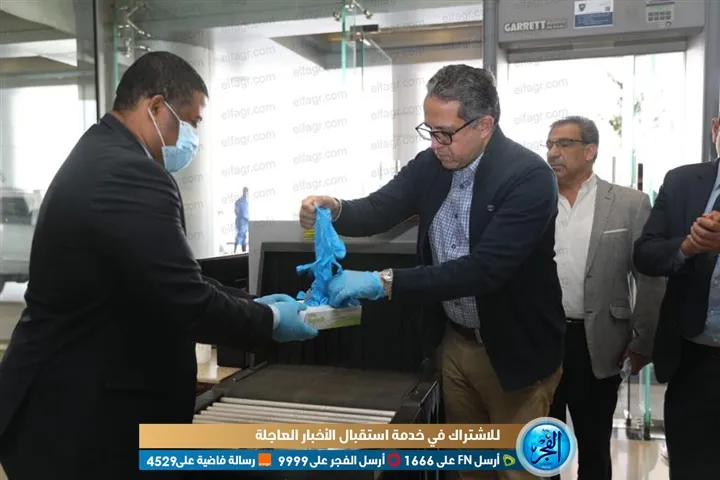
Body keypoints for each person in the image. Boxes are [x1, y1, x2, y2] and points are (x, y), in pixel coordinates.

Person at [0, 52, 317, 480]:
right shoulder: (130, 172)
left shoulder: (102, 152)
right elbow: (184, 301)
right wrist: (271, 320)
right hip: (77, 423)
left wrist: (253, 302)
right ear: (155, 106)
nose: (192, 137)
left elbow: (160, 280)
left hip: (67, 410)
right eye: (191, 122)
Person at [299, 64, 565, 480]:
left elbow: (484, 270)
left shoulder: (528, 177)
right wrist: (334, 208)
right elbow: (379, 209)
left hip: (515, 351)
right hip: (456, 345)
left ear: (484, 125)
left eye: (445, 133)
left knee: (520, 471)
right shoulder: (431, 166)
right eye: (429, 131)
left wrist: (382, 281)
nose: (436, 144)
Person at [544, 116, 665, 480]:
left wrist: (643, 342)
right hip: (542, 339)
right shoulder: (534, 200)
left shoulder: (630, 203)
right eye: (550, 144)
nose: (553, 152)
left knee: (594, 444)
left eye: (564, 144)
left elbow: (650, 278)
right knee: (542, 444)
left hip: (598, 342)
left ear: (590, 151)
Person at [633, 111, 720, 478]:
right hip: (692, 361)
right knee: (690, 469)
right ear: (716, 129)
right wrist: (688, 246)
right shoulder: (682, 182)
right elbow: (644, 254)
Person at [235, 187, 249, 253]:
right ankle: (235, 251)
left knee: (243, 237)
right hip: (241, 221)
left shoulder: (245, 201)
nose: (246, 193)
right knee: (240, 236)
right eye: (246, 192)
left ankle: (243, 251)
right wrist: (243, 217)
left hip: (244, 221)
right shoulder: (240, 201)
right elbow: (237, 211)